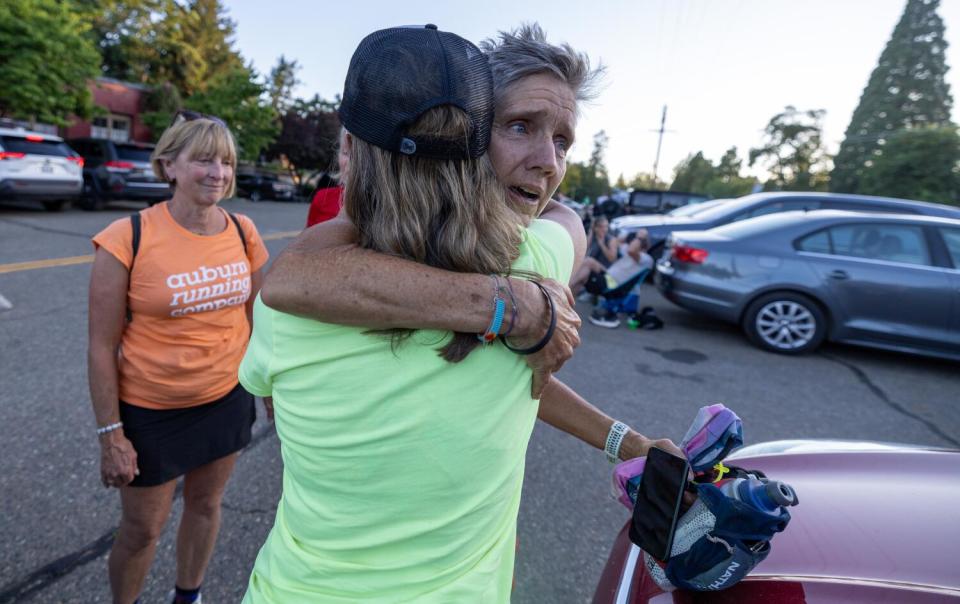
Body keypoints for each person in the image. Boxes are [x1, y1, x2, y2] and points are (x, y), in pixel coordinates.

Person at [260, 24, 679, 463]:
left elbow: (515, 377)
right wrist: (513, 303)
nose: (549, 164)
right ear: (464, 133)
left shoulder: (303, 296)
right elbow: (565, 225)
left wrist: (629, 445)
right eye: (520, 127)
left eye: (562, 142)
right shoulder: (537, 260)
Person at [87, 112, 270, 604]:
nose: (218, 173)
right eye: (204, 160)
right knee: (142, 530)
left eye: (227, 162)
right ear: (168, 166)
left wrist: (270, 392)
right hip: (151, 410)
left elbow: (260, 320)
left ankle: (187, 596)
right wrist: (111, 434)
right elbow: (101, 346)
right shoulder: (127, 237)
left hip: (225, 397)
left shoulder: (243, 229)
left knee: (207, 505)